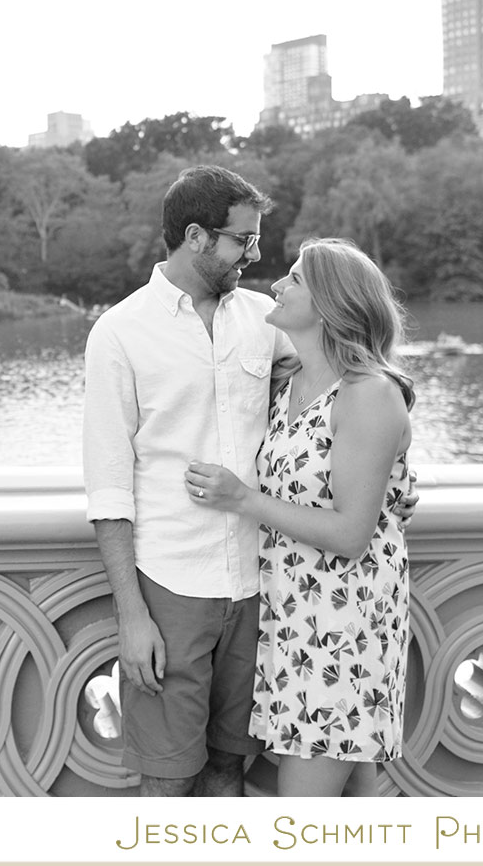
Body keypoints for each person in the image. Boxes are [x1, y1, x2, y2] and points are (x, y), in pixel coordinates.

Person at [83, 164, 299, 797]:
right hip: (170, 586)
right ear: (197, 235)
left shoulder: (267, 319)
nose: (254, 254)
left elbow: (342, 392)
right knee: (168, 782)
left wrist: (389, 477)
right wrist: (133, 618)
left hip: (259, 582)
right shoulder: (119, 332)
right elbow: (108, 487)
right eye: (242, 240)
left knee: (231, 767)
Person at [183, 237, 414, 797]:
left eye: (295, 278)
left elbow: (352, 533)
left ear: (332, 304)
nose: (276, 286)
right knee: (349, 803)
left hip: (345, 629)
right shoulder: (291, 387)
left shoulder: (368, 393)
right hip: (295, 621)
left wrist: (243, 499)